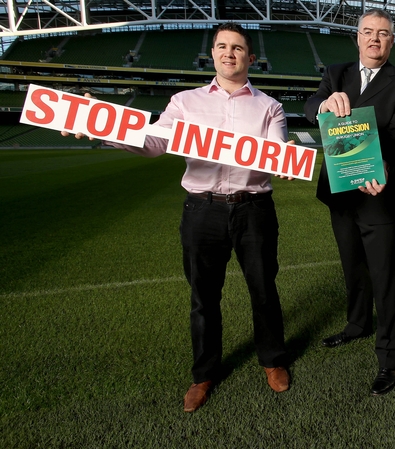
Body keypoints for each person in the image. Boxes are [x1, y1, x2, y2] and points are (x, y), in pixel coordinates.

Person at [63, 22, 292, 412]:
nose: (229, 53)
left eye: (238, 48)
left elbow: (277, 150)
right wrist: (100, 124)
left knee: (264, 291)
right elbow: (153, 142)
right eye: (222, 46)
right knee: (203, 297)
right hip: (202, 210)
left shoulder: (270, 106)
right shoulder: (185, 102)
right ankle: (204, 373)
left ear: (250, 58)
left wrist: (286, 161)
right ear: (213, 54)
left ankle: (272, 361)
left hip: (253, 209)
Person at [303, 9, 395, 396]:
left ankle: (391, 356)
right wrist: (322, 105)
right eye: (368, 32)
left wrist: (382, 158)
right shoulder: (337, 73)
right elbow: (311, 107)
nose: (374, 39)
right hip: (340, 191)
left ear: (392, 41)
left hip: (379, 191)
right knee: (352, 265)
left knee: (385, 277)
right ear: (357, 38)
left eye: (383, 34)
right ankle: (357, 325)